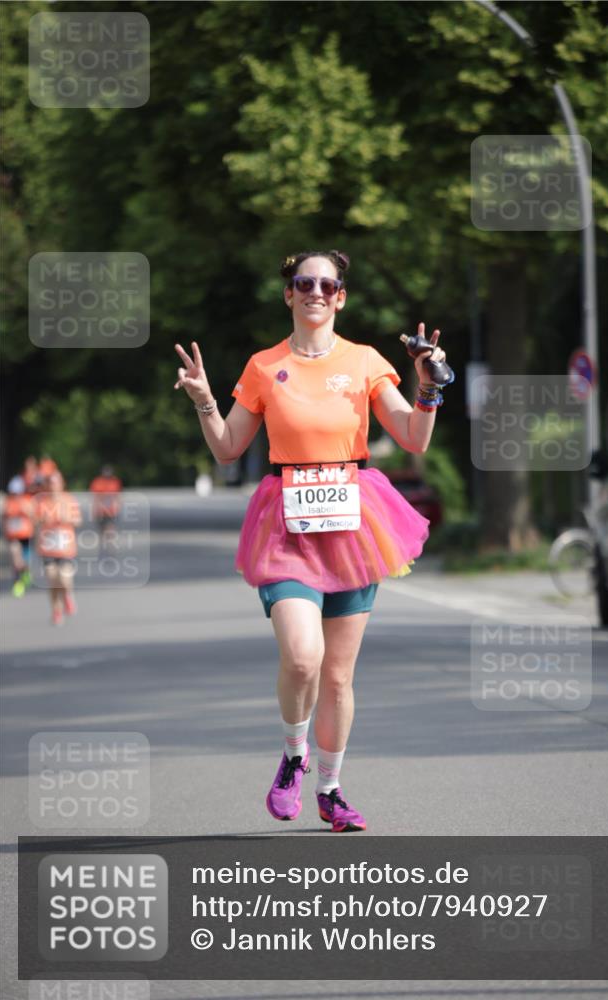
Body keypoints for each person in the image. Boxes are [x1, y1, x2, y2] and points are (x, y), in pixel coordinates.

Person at [174, 250, 448, 832]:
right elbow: (227, 448)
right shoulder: (263, 365)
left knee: (339, 677)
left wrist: (427, 388)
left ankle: (331, 788)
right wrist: (202, 398)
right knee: (303, 657)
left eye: (327, 284)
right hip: (286, 524)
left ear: (340, 296)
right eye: (305, 283)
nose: (315, 292)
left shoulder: (365, 360)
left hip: (353, 525)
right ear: (289, 294)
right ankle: (294, 756)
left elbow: (414, 437)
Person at [34, 470, 81, 625]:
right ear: (47, 485)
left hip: (65, 547)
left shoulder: (69, 500)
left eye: (56, 483)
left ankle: (67, 595)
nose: (53, 486)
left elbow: (78, 520)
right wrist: (43, 520)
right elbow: (34, 521)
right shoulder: (42, 502)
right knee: (52, 580)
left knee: (64, 579)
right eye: (51, 483)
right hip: (48, 547)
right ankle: (56, 610)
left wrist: (66, 519)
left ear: (62, 484)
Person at [2, 476, 35, 597]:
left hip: (25, 535)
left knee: (24, 561)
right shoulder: (8, 502)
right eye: (13, 492)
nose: (15, 494)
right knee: (15, 559)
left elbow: (35, 517)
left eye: (17, 492)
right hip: (13, 536)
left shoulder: (27, 500)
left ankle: (25, 572)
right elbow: (4, 518)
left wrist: (26, 510)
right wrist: (5, 531)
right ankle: (18, 584)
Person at [89, 465, 123, 549]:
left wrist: (118, 506)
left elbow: (117, 496)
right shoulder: (97, 482)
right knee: (102, 528)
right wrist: (94, 510)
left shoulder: (115, 482)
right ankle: (104, 544)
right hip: (101, 510)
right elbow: (95, 498)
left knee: (110, 527)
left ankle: (111, 544)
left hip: (111, 510)